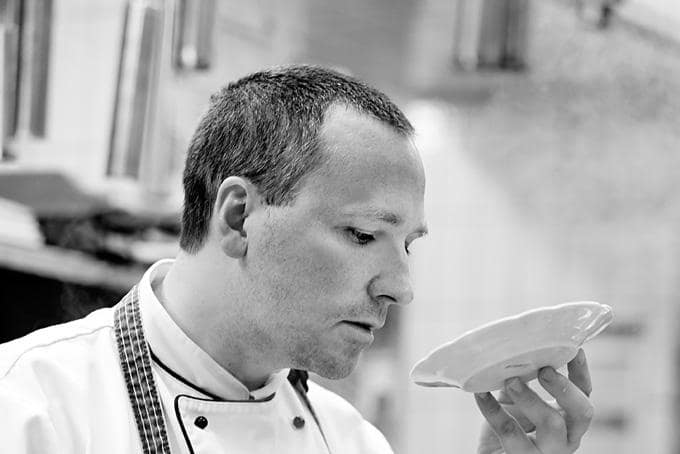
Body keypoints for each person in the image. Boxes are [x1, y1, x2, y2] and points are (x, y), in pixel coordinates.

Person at [0, 65, 594, 453]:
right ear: (239, 217)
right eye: (363, 234)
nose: (401, 288)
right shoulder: (31, 410)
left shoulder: (351, 440)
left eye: (408, 244)